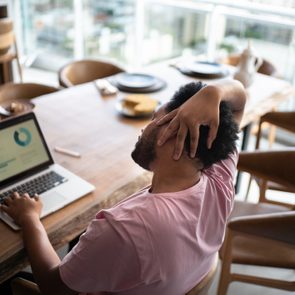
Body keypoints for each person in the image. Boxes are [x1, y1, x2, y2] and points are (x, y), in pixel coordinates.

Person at [0, 79, 246, 295]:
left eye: (153, 119)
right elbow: (239, 100)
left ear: (177, 136)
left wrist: (30, 218)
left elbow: (53, 286)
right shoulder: (219, 177)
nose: (143, 128)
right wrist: (212, 92)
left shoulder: (126, 227)